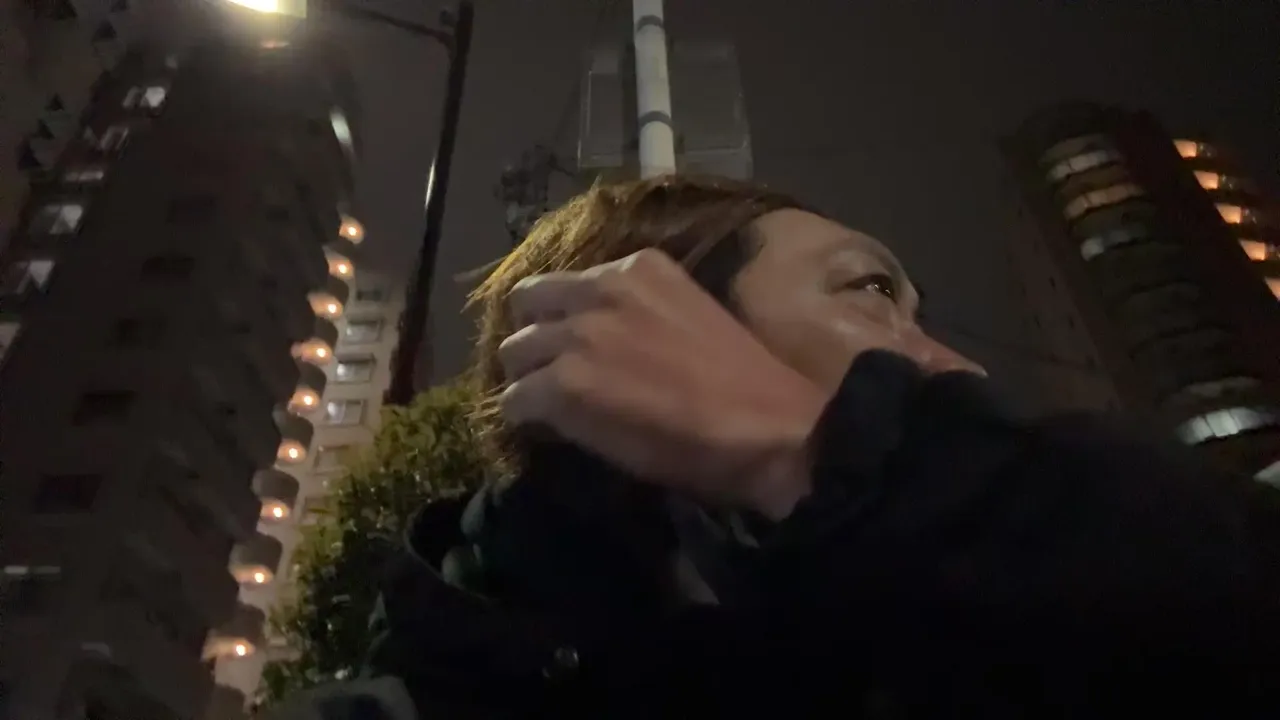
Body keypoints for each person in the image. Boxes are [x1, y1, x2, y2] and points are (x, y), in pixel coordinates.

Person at [268, 175, 1280, 719]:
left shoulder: (962, 663)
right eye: (871, 291)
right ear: (643, 339)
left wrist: (844, 464)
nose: (954, 366)